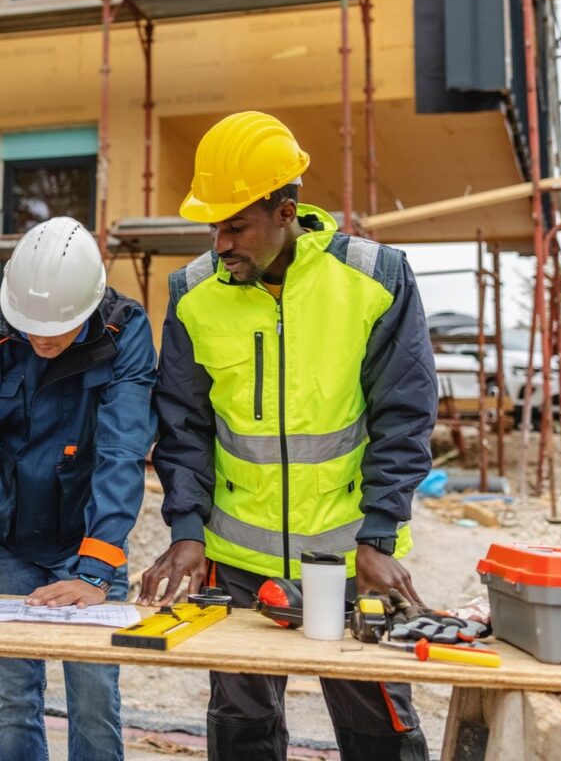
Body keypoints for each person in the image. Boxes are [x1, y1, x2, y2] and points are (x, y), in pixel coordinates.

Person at [138, 111, 437, 761]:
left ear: (286, 212)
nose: (220, 243)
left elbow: (405, 416)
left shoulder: (375, 279)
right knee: (241, 730)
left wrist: (379, 534)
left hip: (349, 558)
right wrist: (187, 531)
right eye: (213, 227)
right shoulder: (193, 294)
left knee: (378, 728)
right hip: (238, 562)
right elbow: (183, 428)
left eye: (235, 226)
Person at [0, 217, 157, 761]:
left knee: (94, 698)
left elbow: (122, 449)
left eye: (57, 328)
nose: (42, 339)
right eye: (31, 326)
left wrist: (96, 568)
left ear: (90, 302)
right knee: (14, 698)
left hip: (89, 536)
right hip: (9, 542)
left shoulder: (124, 331)